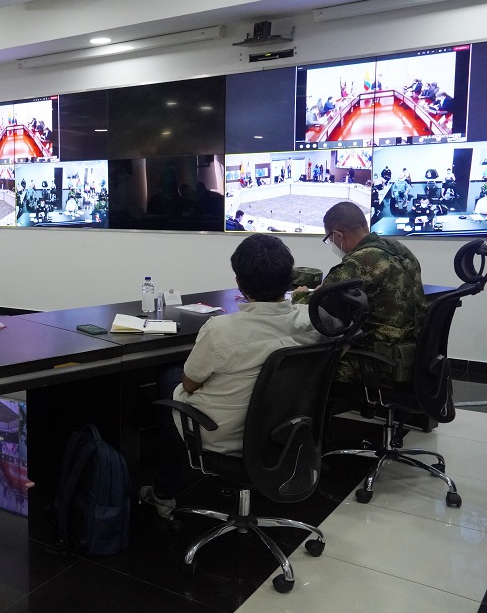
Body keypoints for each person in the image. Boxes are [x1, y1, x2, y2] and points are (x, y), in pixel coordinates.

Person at [139, 234, 324, 517]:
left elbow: (189, 383)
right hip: (283, 431)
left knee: (169, 377)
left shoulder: (220, 330)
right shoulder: (311, 321)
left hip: (220, 435)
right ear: (289, 280)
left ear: (239, 282)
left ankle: (164, 495)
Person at [294, 202, 425, 383]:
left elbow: (316, 308)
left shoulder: (357, 262)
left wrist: (299, 295)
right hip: (415, 351)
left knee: (302, 367)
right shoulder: (399, 249)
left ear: (338, 235)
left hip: (379, 360)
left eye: (330, 239)